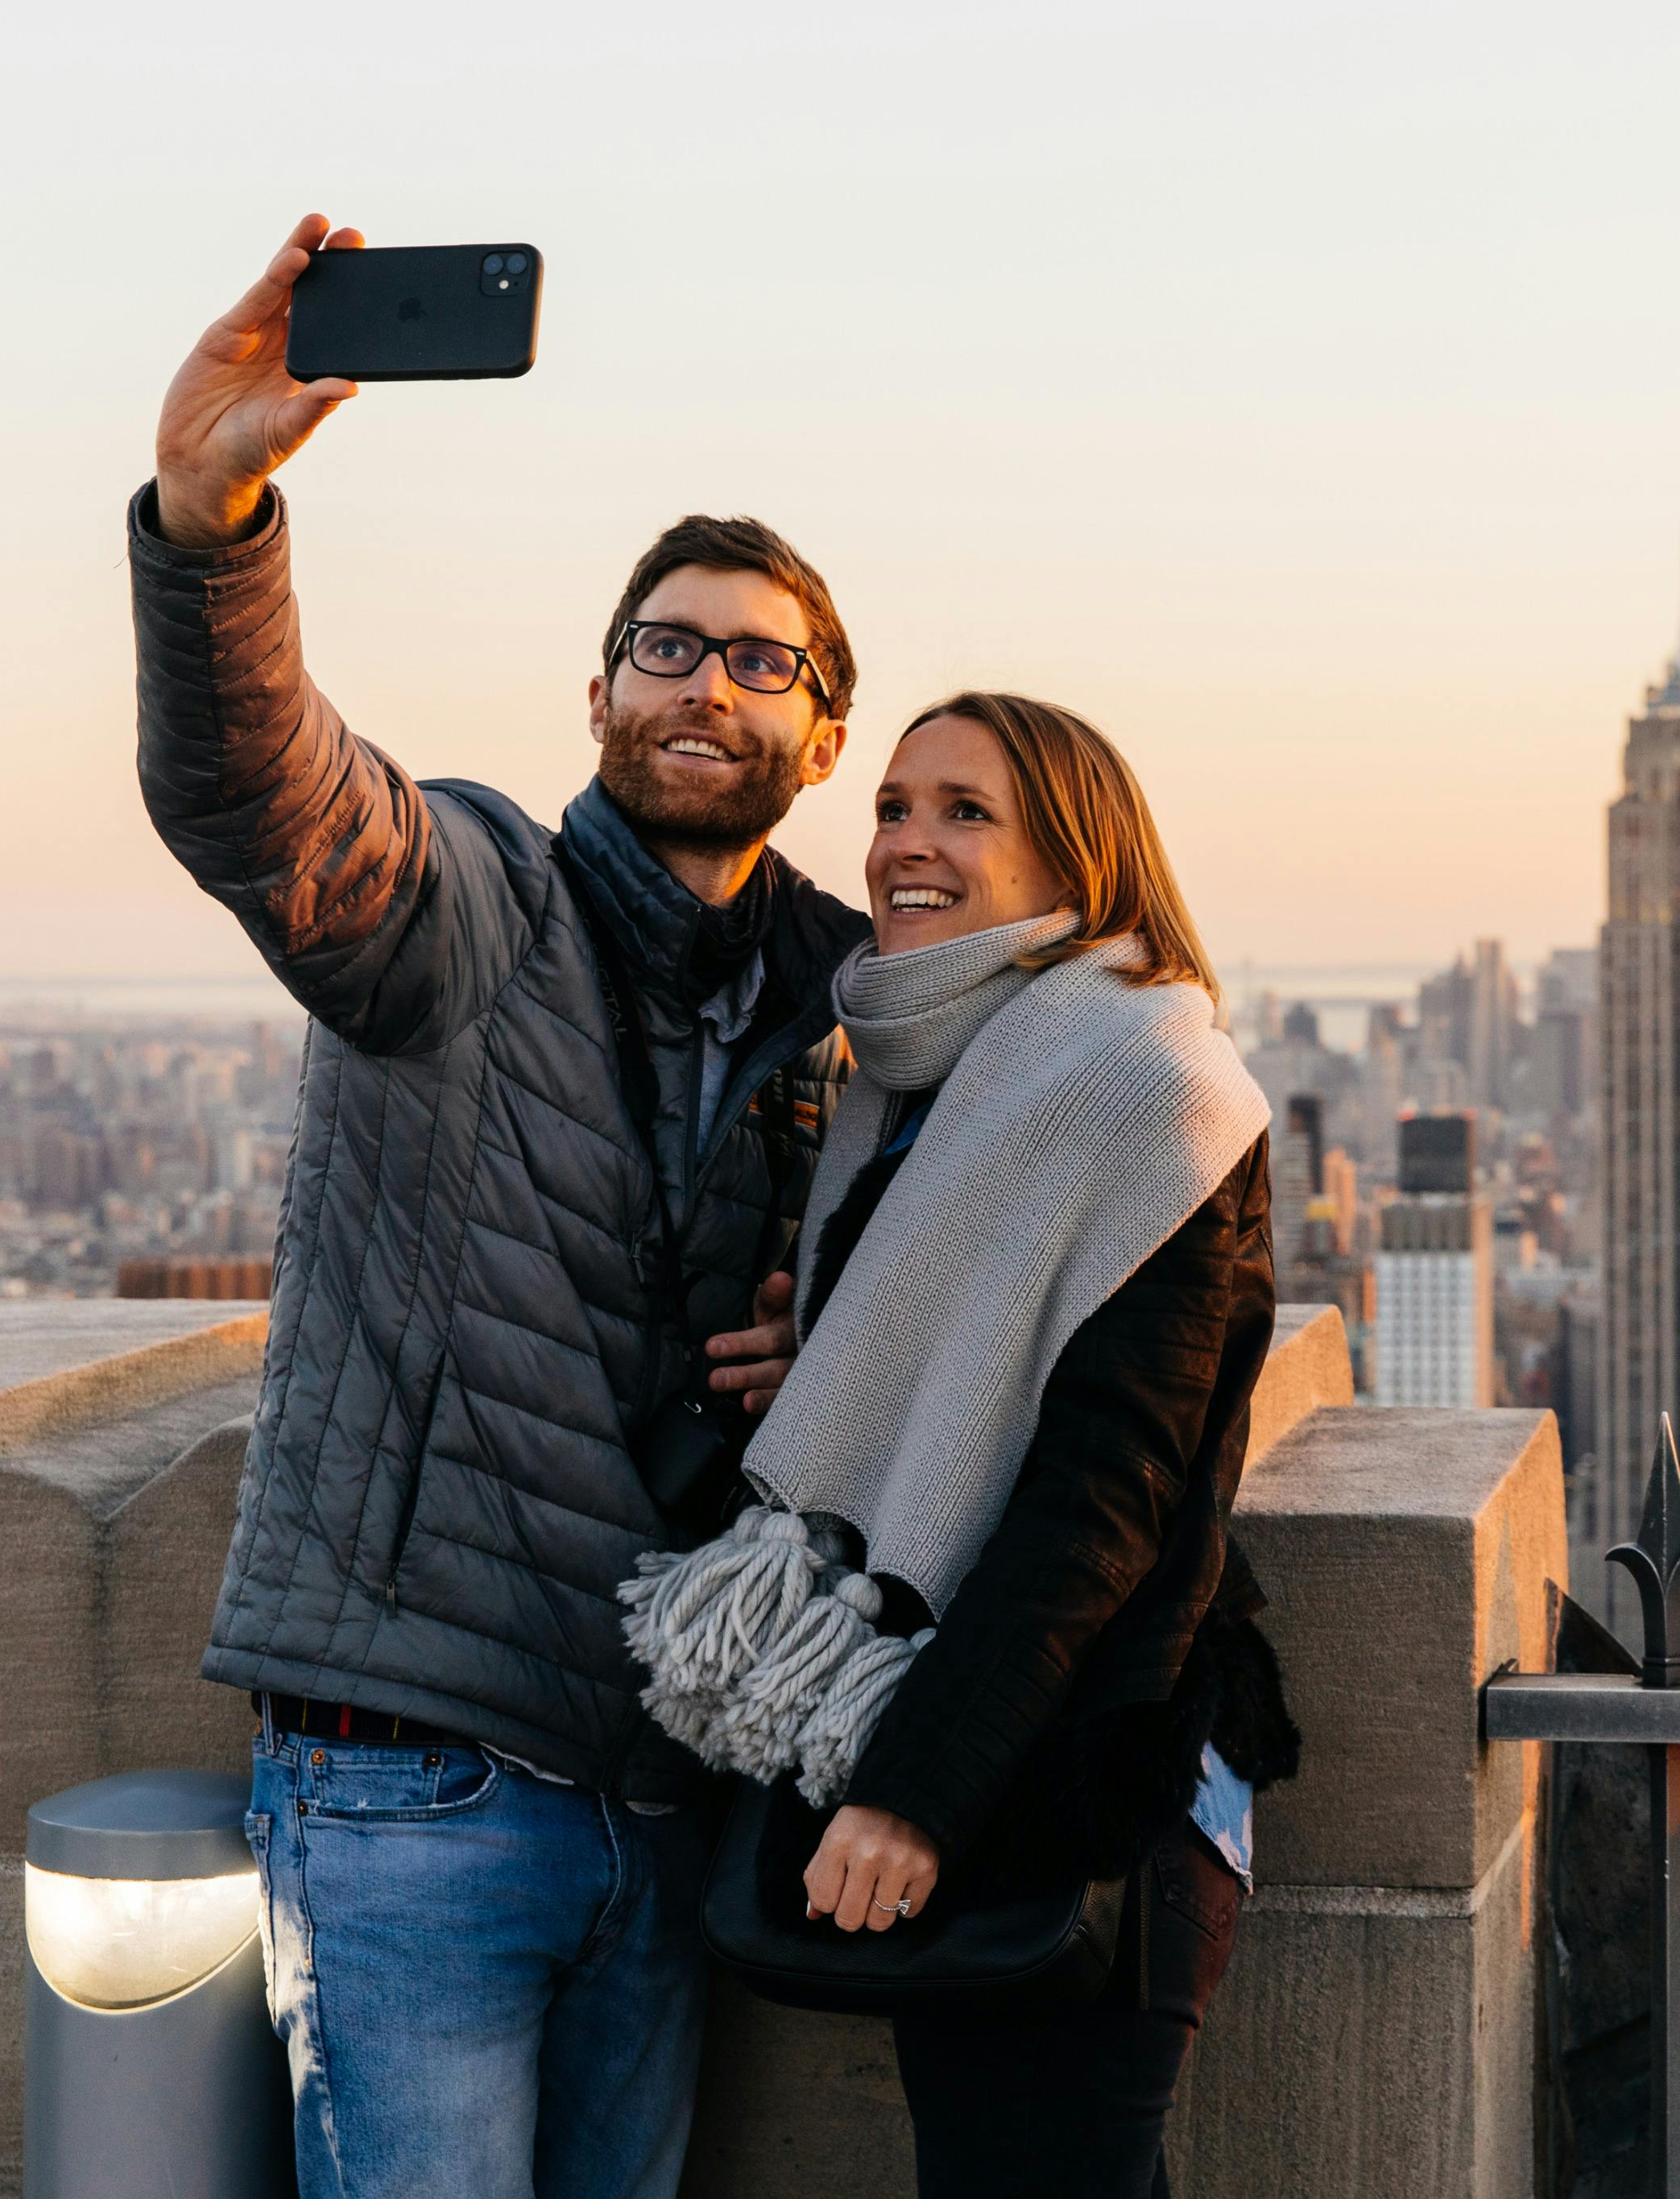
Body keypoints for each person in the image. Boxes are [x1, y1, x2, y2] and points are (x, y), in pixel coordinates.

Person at [130, 214, 864, 2197]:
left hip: (676, 1781)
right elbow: (266, 800)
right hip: (415, 1775)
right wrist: (215, 529)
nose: (707, 681)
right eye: (666, 644)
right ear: (602, 691)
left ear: (824, 730)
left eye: (760, 658)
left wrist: (843, 1334)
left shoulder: (859, 1005)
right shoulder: (471, 905)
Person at [624, 691, 1302, 2197]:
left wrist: (914, 1791)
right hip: (971, 1738)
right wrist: (835, 1359)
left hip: (1079, 1778)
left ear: (1081, 857)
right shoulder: (922, 1088)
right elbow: (972, 1376)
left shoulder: (1148, 1090)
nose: (906, 843)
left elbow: (1100, 1505)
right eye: (890, 806)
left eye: (964, 811)